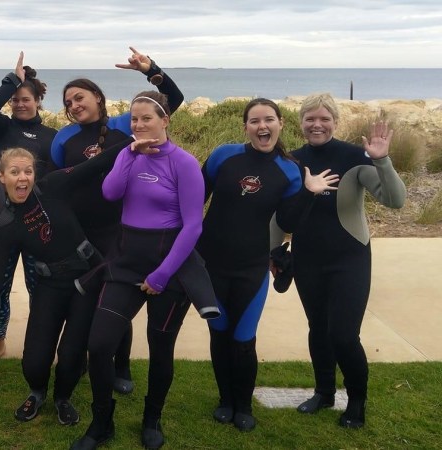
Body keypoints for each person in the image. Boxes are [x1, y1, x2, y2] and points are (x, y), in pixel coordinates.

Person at [71, 92, 215, 450]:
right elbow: (109, 192)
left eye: (146, 119)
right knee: (100, 344)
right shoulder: (127, 154)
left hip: (170, 265)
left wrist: (162, 275)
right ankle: (102, 421)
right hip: (126, 261)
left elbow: (193, 227)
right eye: (134, 120)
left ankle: (153, 417)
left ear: (165, 121)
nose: (139, 125)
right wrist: (128, 156)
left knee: (160, 349)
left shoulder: (183, 163)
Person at [0, 140, 128, 426]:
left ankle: (62, 398)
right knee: (34, 360)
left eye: (27, 171)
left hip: (87, 278)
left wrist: (134, 143)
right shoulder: (5, 226)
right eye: (14, 172)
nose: (22, 178)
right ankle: (37, 392)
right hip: (50, 286)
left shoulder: (54, 186)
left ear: (34, 174)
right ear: (1, 177)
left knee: (72, 354)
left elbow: (97, 163)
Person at [197, 98, 339, 432]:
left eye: (269, 120)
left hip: (251, 267)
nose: (263, 126)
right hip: (210, 263)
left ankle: (243, 405)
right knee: (219, 333)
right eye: (255, 121)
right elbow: (195, 199)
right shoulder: (223, 156)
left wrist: (309, 192)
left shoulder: (289, 170)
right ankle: (225, 401)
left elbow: (289, 221)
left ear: (280, 125)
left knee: (244, 339)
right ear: (245, 127)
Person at [50, 47, 185, 394]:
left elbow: (172, 100)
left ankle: (121, 365)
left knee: (115, 299)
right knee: (83, 300)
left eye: (79, 97)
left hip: (118, 231)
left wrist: (150, 69)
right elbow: (62, 183)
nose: (74, 105)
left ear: (97, 96)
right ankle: (82, 359)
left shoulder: (125, 125)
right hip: (79, 232)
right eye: (68, 102)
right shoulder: (63, 138)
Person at [272, 93, 406, 429]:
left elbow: (395, 200)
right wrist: (275, 252)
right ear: (300, 122)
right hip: (308, 258)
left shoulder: (354, 156)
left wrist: (383, 160)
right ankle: (324, 392)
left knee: (344, 335)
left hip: (350, 257)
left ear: (335, 121)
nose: (317, 124)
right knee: (318, 330)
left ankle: (356, 402)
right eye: (310, 119)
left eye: (324, 118)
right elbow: (277, 215)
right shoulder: (292, 160)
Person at [0, 52, 58, 367]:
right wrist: (12, 80)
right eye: (14, 99)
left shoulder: (53, 137)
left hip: (38, 224)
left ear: (38, 100)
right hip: (2, 221)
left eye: (25, 98)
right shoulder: (0, 128)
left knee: (40, 288)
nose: (19, 104)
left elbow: (55, 181)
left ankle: (40, 344)